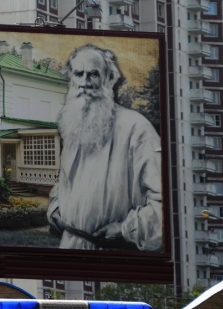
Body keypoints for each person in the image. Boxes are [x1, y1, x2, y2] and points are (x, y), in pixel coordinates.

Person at [47, 44, 163, 251]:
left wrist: (126, 230)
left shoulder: (137, 128)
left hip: (113, 257)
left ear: (109, 79)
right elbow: (66, 182)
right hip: (69, 248)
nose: (84, 83)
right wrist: (55, 208)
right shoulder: (73, 125)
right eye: (78, 74)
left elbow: (166, 205)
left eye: (93, 75)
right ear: (71, 79)